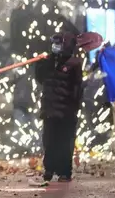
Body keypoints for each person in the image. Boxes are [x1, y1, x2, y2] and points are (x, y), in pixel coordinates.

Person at [35, 32, 84, 182]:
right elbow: (41, 78)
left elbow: (77, 87)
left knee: (64, 141)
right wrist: (40, 64)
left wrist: (74, 107)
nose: (55, 46)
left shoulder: (73, 64)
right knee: (49, 140)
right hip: (50, 109)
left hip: (66, 111)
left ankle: (64, 171)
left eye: (58, 43)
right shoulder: (49, 60)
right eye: (54, 43)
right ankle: (49, 168)